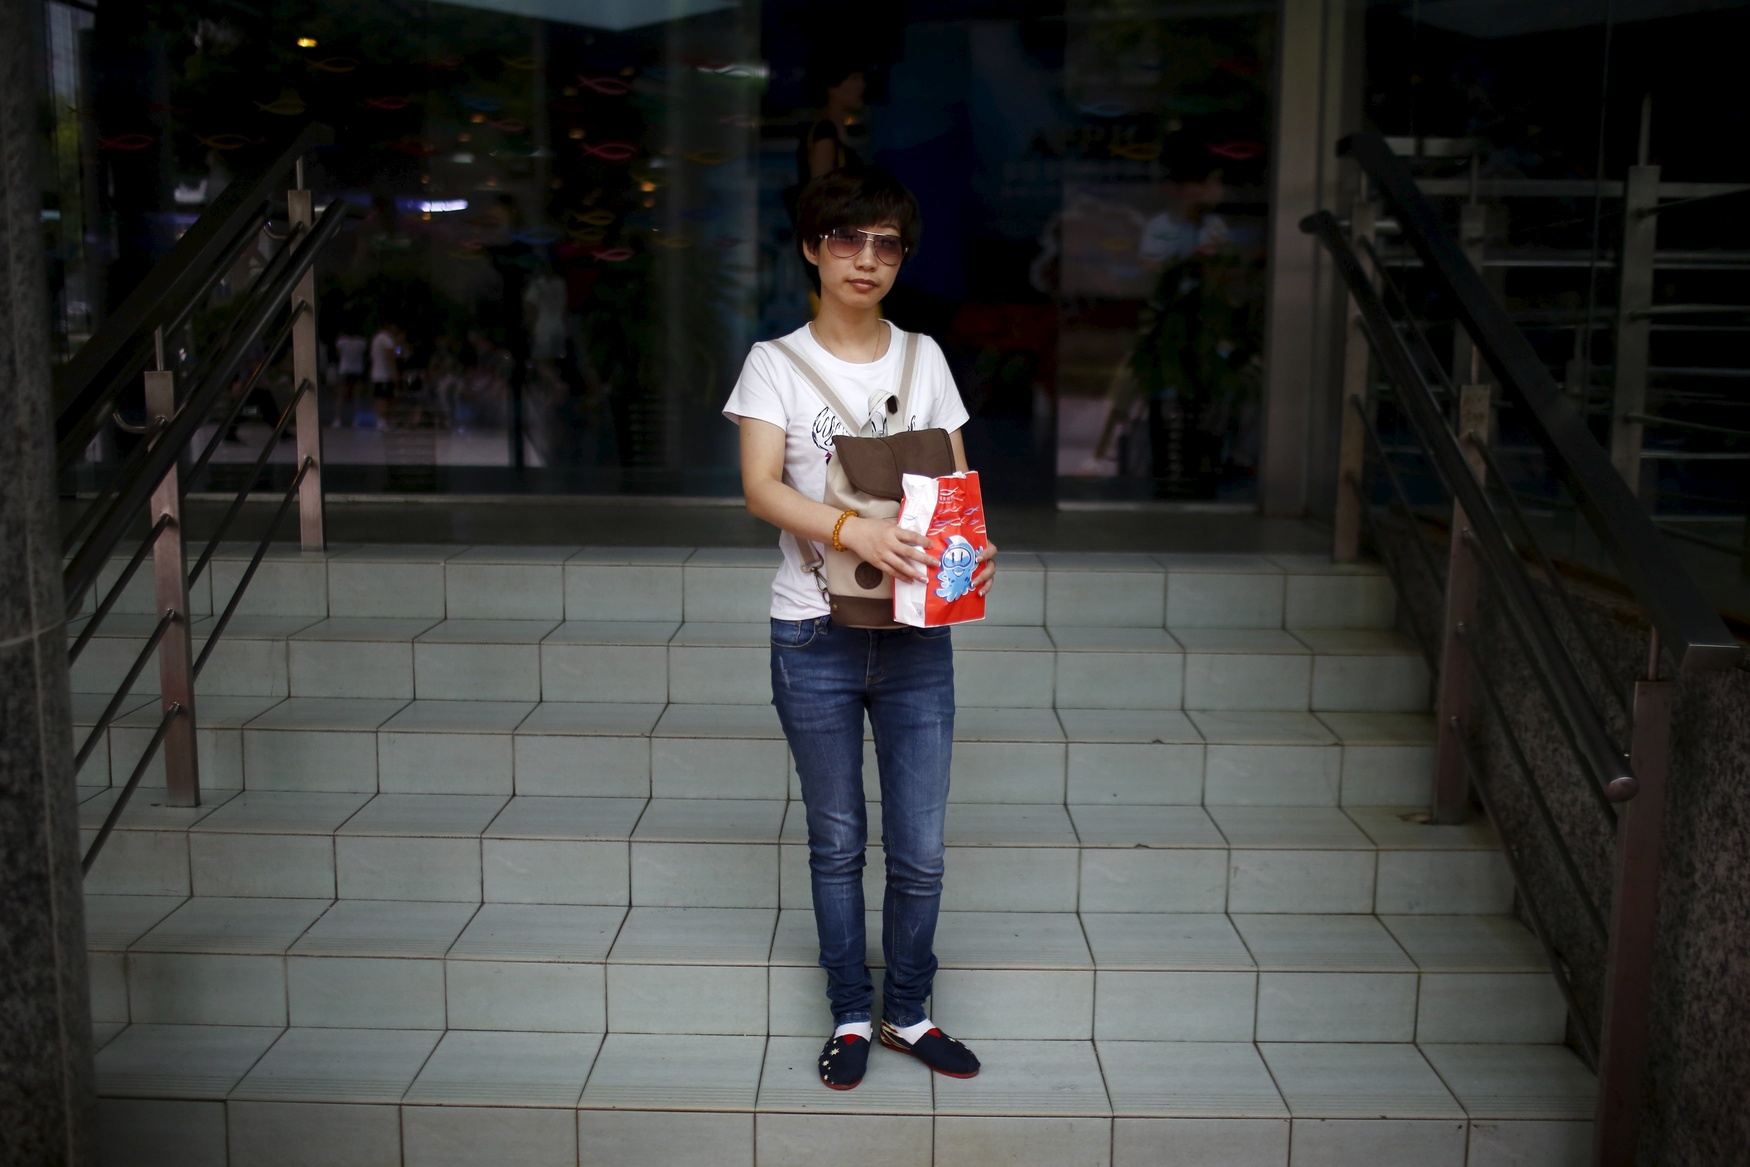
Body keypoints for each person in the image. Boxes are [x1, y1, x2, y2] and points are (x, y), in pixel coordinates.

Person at [723, 167, 996, 1091]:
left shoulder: (925, 358)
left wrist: (974, 556)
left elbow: (957, 495)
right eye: (847, 239)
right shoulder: (774, 362)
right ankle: (850, 1009)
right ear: (812, 245)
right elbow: (763, 489)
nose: (866, 259)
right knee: (837, 839)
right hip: (813, 633)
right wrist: (856, 529)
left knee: (919, 846)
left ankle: (907, 1011)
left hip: (918, 636)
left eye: (886, 243)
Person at [369, 323, 402, 431]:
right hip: (385, 374)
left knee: (381, 397)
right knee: (385, 398)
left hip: (377, 373)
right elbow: (393, 356)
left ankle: (382, 420)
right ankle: (383, 420)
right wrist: (394, 373)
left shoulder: (377, 338)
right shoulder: (387, 339)